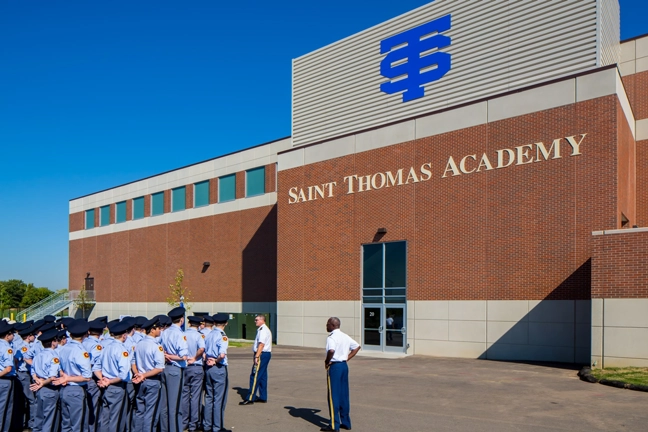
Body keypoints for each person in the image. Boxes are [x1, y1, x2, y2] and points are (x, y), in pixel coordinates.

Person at [321, 317, 361, 432]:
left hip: (335, 367)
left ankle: (334, 425)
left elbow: (331, 351)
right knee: (344, 394)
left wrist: (327, 361)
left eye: (328, 324)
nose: (326, 326)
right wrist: (346, 358)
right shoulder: (344, 336)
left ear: (333, 325)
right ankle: (346, 422)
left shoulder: (332, 337)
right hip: (343, 366)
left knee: (333, 395)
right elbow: (357, 347)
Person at [55, 319, 92, 432]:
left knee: (66, 424)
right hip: (76, 388)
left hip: (65, 388)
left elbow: (58, 367)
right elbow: (87, 376)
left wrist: (64, 376)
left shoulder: (64, 348)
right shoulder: (80, 351)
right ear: (86, 334)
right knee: (78, 425)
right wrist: (68, 378)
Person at [98, 320, 132, 432]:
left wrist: (102, 379)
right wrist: (109, 381)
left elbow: (96, 367)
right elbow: (123, 374)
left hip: (106, 386)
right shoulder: (122, 350)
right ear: (124, 335)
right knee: (116, 420)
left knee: (105, 418)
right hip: (116, 386)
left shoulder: (106, 347)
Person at [132, 316, 165, 432]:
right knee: (150, 413)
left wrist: (138, 374)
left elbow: (133, 363)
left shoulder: (139, 344)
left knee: (140, 411)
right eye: (158, 328)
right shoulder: (156, 346)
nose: (160, 330)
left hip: (141, 380)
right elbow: (159, 368)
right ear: (152, 329)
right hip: (151, 380)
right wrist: (144, 375)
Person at [160, 307, 189, 432]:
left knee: (164, 405)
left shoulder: (165, 332)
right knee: (175, 406)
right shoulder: (179, 334)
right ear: (181, 320)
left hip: (166, 368)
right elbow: (183, 356)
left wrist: (166, 356)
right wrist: (170, 356)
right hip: (175, 369)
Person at [30, 328, 61, 432]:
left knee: (38, 418)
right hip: (49, 389)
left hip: (39, 389)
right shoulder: (54, 356)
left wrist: (37, 380)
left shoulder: (38, 355)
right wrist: (42, 383)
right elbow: (52, 377)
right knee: (49, 420)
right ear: (53, 342)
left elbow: (33, 371)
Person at [203, 313, 230, 432]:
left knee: (209, 397)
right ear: (226, 323)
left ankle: (207, 425)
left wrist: (208, 359)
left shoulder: (209, 334)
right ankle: (217, 427)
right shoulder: (222, 335)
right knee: (218, 399)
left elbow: (203, 350)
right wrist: (215, 360)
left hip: (208, 367)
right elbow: (222, 354)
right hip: (218, 367)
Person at [241, 314, 272, 405]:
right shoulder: (263, 329)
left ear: (262, 320)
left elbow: (261, 344)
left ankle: (250, 398)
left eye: (257, 320)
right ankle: (263, 396)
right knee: (262, 376)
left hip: (262, 354)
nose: (255, 321)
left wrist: (257, 356)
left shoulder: (263, 330)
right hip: (265, 354)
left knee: (255, 375)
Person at [181, 316, 205, 432]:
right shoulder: (198, 335)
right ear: (199, 325)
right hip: (195, 366)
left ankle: (184, 421)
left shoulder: (183, 334)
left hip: (185, 366)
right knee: (195, 396)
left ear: (189, 323)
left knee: (185, 395)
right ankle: (193, 423)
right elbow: (201, 348)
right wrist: (194, 358)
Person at [83, 319, 105, 432]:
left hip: (81, 379)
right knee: (93, 409)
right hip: (91, 378)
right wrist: (102, 379)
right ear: (101, 332)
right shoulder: (96, 346)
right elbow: (94, 365)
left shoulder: (84, 342)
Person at [0, 321, 16, 431]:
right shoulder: (7, 348)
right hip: (4, 380)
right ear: (7, 335)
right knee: (4, 410)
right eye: (12, 333)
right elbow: (8, 368)